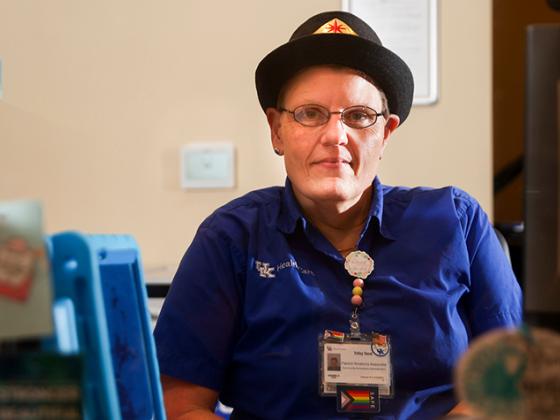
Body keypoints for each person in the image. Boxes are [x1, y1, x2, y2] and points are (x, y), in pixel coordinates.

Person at [154, 10, 522, 419]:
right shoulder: (232, 237)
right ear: (277, 130)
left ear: (385, 133)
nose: (334, 135)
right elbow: (179, 404)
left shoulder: (456, 222)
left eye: (359, 116)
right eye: (309, 114)